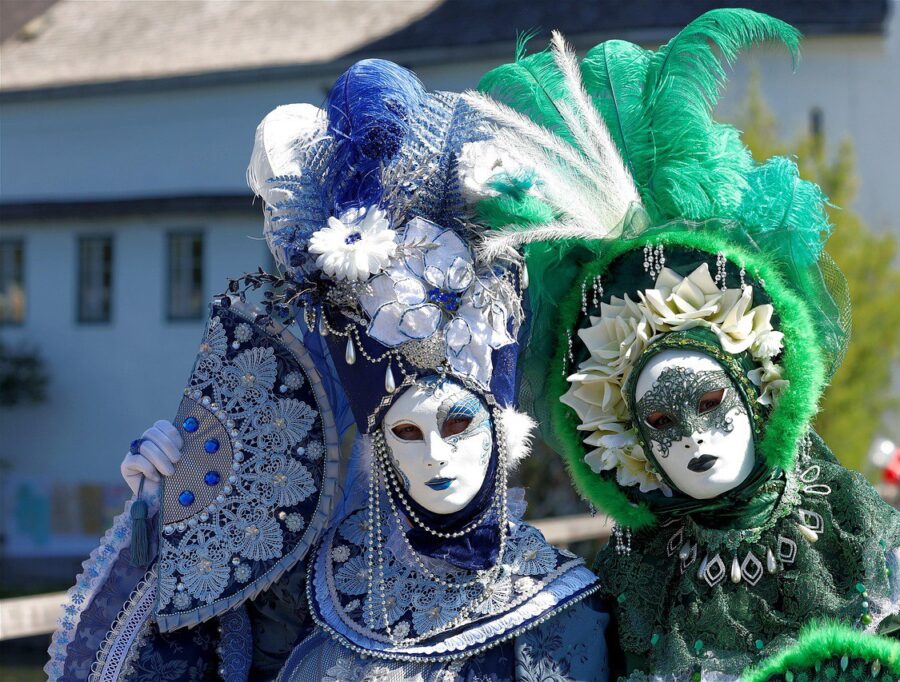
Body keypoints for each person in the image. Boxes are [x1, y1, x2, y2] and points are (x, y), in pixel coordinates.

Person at [46, 60, 608, 681]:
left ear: (500, 428)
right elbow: (199, 651)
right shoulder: (322, 580)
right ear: (379, 444)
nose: (438, 458)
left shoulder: (557, 605)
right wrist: (169, 513)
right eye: (408, 433)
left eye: (457, 426)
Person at [461, 9, 900, 680]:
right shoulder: (634, 577)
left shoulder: (859, 546)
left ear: (758, 387)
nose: (693, 438)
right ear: (627, 441)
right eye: (660, 421)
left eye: (711, 400)